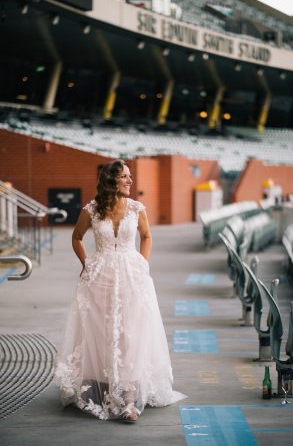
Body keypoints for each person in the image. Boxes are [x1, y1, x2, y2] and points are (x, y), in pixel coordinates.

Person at [54, 159, 185, 422]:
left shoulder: (137, 208)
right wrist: (86, 262)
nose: (130, 180)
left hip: (132, 275)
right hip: (99, 276)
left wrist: (143, 264)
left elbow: (147, 236)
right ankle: (103, 386)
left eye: (130, 176)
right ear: (111, 180)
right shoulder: (91, 210)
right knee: (100, 331)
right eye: (125, 176)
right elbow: (76, 237)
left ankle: (128, 400)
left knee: (131, 333)